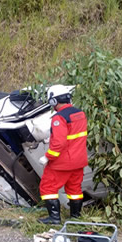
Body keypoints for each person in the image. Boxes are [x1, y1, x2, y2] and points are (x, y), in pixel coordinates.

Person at [38, 84, 88, 224]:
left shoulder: (59, 118)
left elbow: (59, 143)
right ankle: (76, 217)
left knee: (48, 187)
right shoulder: (80, 114)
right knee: (75, 189)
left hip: (62, 163)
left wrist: (47, 157)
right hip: (79, 160)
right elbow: (73, 136)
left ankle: (54, 218)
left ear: (53, 101)